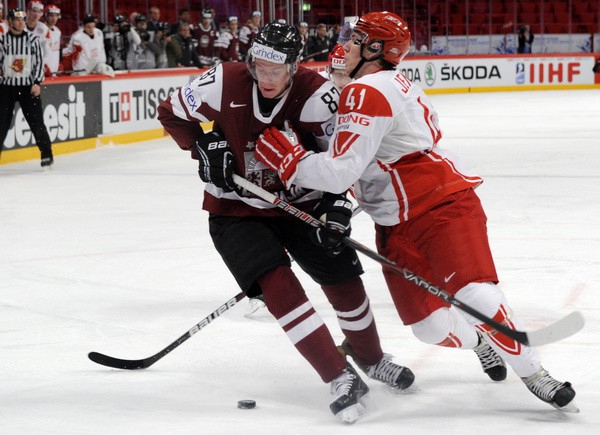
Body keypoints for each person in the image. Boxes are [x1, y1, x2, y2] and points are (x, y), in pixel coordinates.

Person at [254, 12, 578, 413]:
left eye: (356, 42)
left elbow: (340, 171)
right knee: (429, 328)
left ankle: (534, 373)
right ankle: (482, 341)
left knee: (473, 292)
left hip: (439, 204)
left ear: (375, 50)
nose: (345, 52)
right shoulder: (378, 88)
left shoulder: (367, 91)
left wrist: (292, 164)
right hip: (394, 222)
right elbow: (366, 168)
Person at [157, 20, 415, 423]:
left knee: (344, 280)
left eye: (276, 69)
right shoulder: (222, 81)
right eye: (259, 67)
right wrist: (204, 144)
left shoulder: (319, 97)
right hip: (234, 208)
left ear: (294, 66)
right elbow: (170, 112)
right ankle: (338, 375)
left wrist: (336, 206)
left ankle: (371, 357)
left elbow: (339, 161)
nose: (266, 77)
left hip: (302, 203)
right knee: (279, 286)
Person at [0, 8, 53, 168]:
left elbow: (38, 61)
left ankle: (46, 153)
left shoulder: (33, 39)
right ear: (10, 21)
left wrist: (37, 82)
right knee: (1, 124)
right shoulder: (3, 40)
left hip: (27, 87)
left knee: (36, 122)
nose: (21, 22)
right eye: (17, 19)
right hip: (6, 88)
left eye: (23, 19)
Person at [43, 4, 62, 75]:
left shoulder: (58, 31)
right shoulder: (41, 30)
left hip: (54, 70)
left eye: (56, 16)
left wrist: (58, 63)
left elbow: (56, 50)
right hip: (43, 70)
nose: (54, 18)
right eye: (51, 16)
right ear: (46, 16)